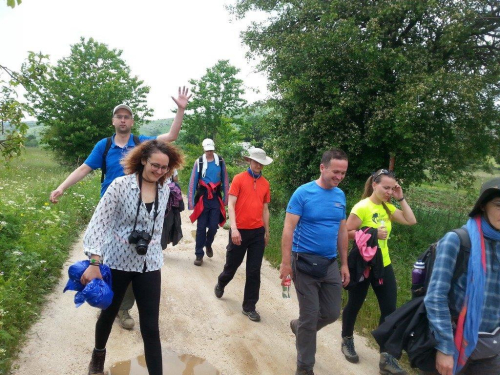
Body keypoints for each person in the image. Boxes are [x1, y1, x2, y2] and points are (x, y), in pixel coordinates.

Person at [49, 87, 190, 330]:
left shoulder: (142, 143)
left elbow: (172, 136)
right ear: (113, 121)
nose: (123, 120)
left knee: (137, 258)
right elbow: (84, 168)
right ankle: (107, 301)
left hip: (138, 212)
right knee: (106, 260)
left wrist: (180, 110)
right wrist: (62, 187)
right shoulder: (103, 146)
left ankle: (122, 309)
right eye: (119, 116)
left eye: (127, 116)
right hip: (111, 211)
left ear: (132, 121)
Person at [82, 139, 184, 375]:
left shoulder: (165, 189)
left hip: (149, 264)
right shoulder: (119, 185)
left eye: (164, 168)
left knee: (151, 327)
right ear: (143, 161)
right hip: (118, 261)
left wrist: (180, 112)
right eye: (154, 165)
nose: (159, 171)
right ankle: (98, 356)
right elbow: (98, 224)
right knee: (108, 314)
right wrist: (95, 262)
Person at [279, 149, 350, 375]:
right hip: (304, 262)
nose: (339, 176)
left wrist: (345, 263)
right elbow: (288, 228)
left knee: (331, 313)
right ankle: (304, 366)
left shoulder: (340, 196)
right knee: (310, 316)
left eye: (343, 173)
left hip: (329, 264)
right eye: (335, 171)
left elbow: (342, 231)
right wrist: (285, 263)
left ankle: (299, 327)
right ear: (322, 167)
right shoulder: (303, 193)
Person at [341, 169, 416, 374]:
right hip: (363, 265)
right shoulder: (362, 207)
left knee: (390, 310)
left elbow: (411, 220)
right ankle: (347, 338)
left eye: (393, 188)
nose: (389, 191)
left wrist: (401, 198)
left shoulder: (388, 207)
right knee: (354, 304)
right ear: (374, 185)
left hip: (383, 264)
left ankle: (386, 356)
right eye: (386, 187)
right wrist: (372, 232)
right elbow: (346, 232)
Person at [423, 178, 500, 375]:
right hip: (456, 345)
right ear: (483, 206)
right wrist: (445, 348)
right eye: (499, 205)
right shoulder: (458, 240)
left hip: (493, 351)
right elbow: (435, 297)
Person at [214, 148, 273, 322]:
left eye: (261, 163)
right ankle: (222, 282)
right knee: (232, 266)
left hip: (257, 232)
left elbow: (265, 209)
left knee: (254, 271)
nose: (258, 165)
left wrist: (267, 231)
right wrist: (234, 228)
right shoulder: (239, 179)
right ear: (249, 161)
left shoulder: (265, 184)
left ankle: (249, 307)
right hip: (239, 230)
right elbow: (231, 205)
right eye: (255, 161)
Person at [187, 138, 229, 266]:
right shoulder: (199, 162)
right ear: (204, 150)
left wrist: (225, 198)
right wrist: (191, 201)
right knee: (200, 228)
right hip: (203, 197)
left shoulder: (220, 162)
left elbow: (225, 180)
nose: (209, 152)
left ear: (214, 149)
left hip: (215, 197)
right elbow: (193, 181)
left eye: (211, 150)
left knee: (213, 226)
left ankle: (208, 244)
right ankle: (199, 255)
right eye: (207, 150)